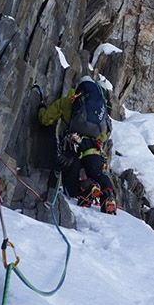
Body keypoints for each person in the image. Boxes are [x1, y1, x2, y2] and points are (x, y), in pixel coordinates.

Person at [37, 77, 117, 214]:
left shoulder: (69, 102)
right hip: (93, 148)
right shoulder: (100, 107)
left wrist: (41, 109)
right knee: (97, 172)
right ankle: (108, 196)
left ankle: (86, 189)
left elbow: (46, 120)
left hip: (72, 147)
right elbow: (104, 135)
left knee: (70, 185)